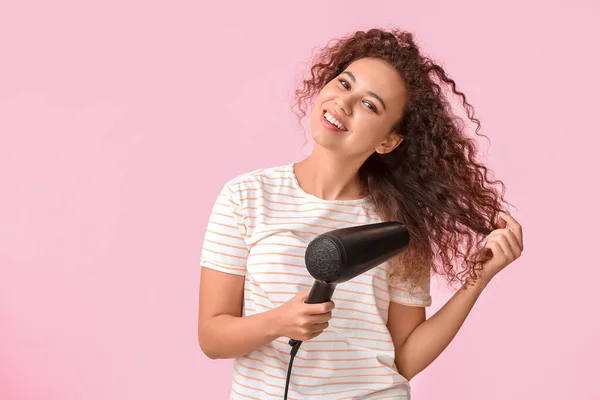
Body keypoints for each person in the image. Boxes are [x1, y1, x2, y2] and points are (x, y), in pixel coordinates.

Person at [197, 28, 524, 399]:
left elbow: (404, 359)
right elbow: (212, 338)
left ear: (388, 140)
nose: (343, 103)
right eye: (344, 83)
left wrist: (477, 279)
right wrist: (278, 322)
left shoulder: (397, 227)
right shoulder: (247, 197)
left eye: (370, 105)